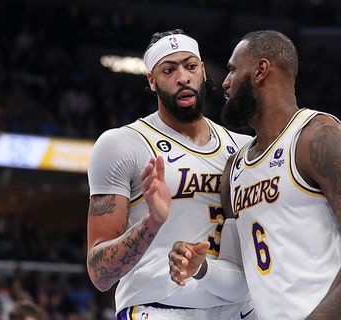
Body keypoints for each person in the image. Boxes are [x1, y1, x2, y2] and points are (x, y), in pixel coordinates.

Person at [169, 30, 341, 320]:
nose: (224, 83)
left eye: (232, 70)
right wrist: (201, 268)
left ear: (261, 71)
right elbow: (238, 278)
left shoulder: (318, 139)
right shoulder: (234, 170)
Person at [86, 29, 254, 320]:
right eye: (168, 69)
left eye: (190, 66)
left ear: (202, 71)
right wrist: (153, 222)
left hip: (238, 307)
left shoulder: (243, 148)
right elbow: (100, 274)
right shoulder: (122, 144)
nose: (182, 77)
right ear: (151, 81)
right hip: (158, 309)